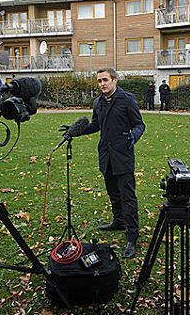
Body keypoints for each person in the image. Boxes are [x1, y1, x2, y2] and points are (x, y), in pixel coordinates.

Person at [78, 68, 145, 258]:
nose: (102, 84)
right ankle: (118, 221)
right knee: (113, 192)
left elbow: (140, 124)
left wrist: (134, 135)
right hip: (106, 155)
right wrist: (77, 130)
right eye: (99, 81)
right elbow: (96, 125)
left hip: (123, 154)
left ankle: (132, 235)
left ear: (114, 80)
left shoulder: (127, 99)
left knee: (127, 196)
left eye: (105, 80)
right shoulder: (98, 102)